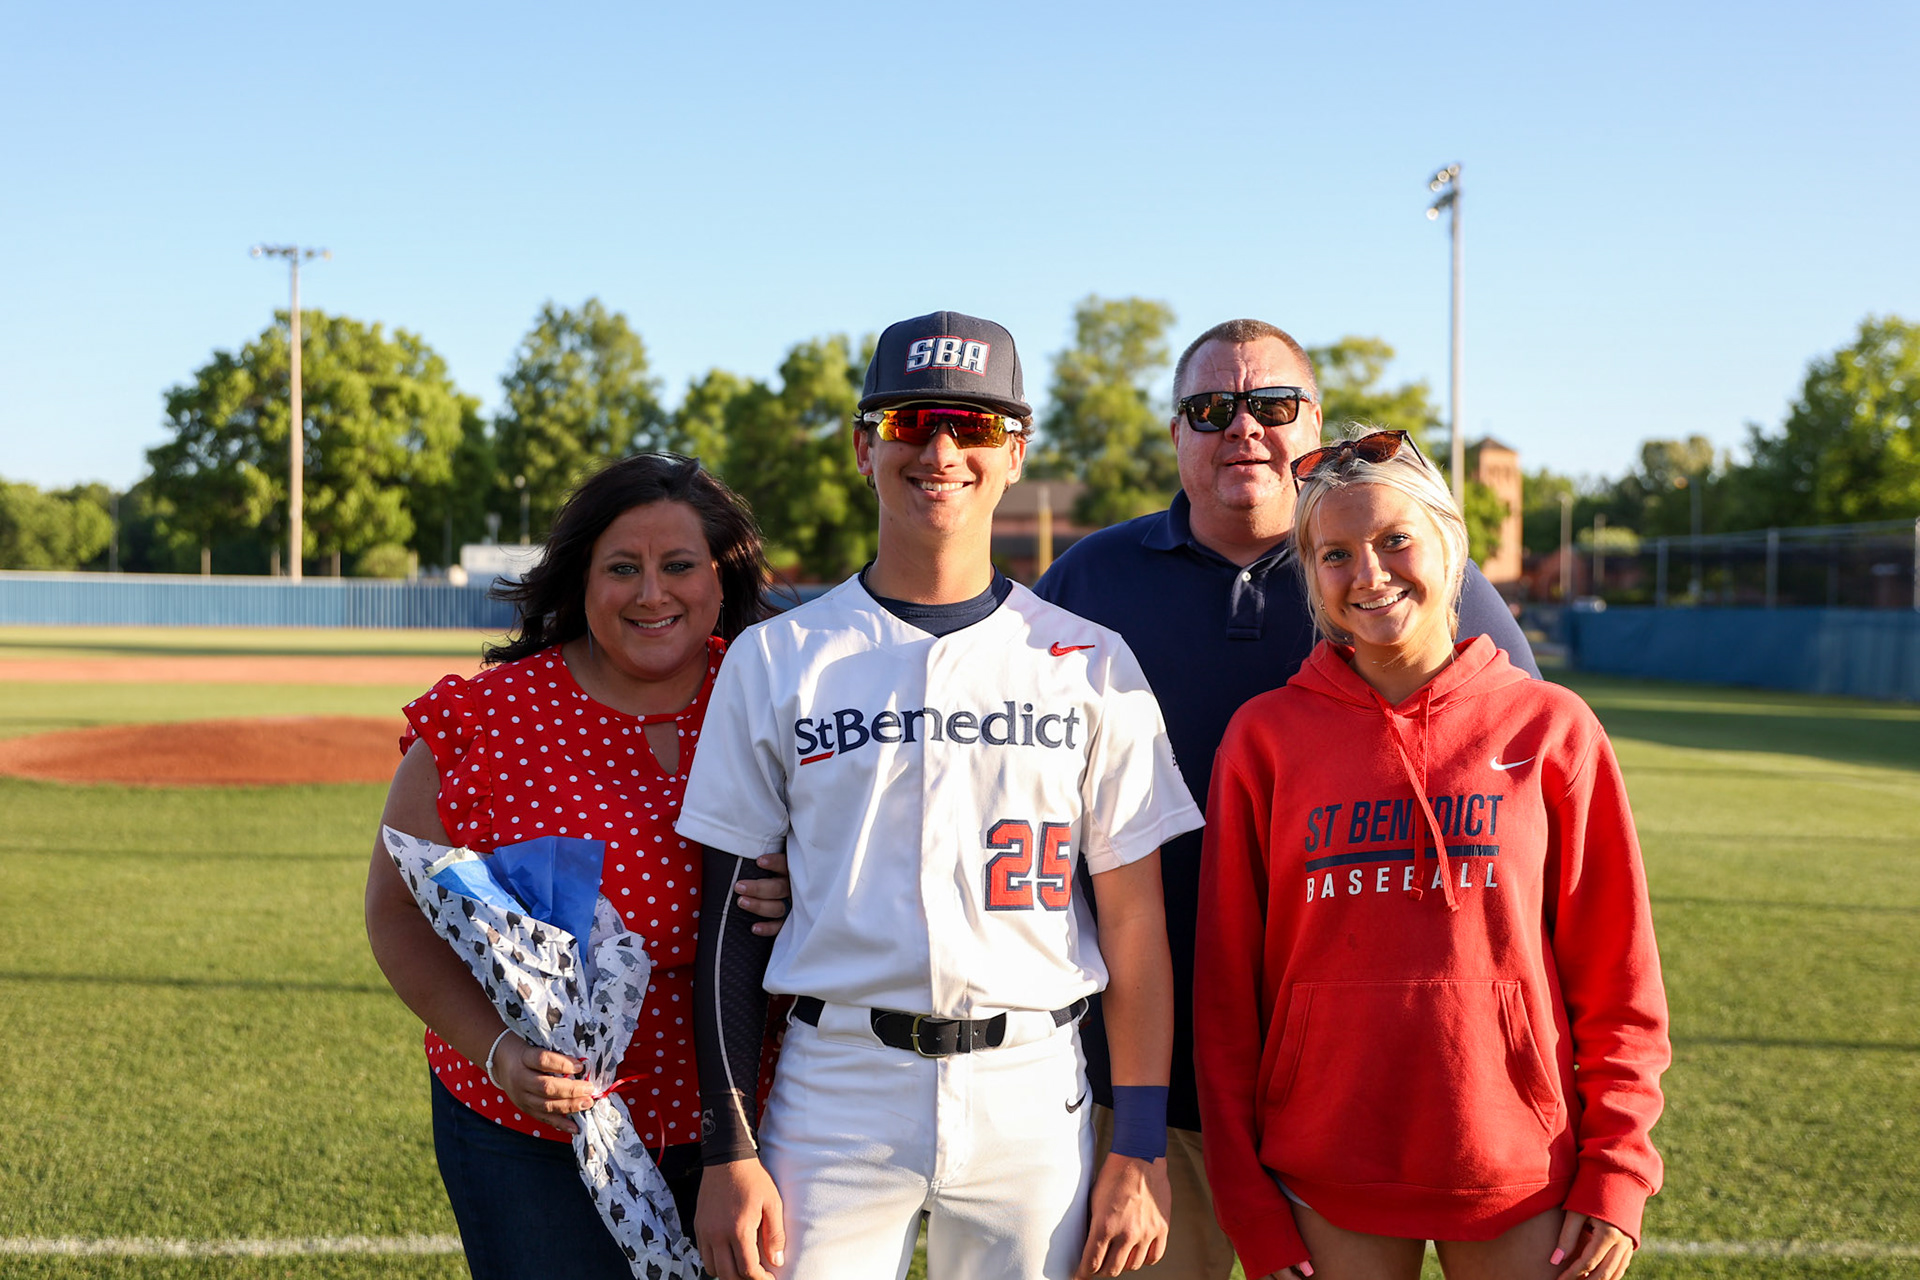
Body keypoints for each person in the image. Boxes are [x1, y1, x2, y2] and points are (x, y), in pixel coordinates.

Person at [678, 310, 1200, 1280]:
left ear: (1016, 452)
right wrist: (728, 1143)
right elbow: (725, 919)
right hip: (837, 1082)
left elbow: (1133, 928)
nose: (944, 450)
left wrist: (1138, 1139)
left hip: (1034, 1086)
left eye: (977, 425)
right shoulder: (779, 656)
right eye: (915, 420)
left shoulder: (1090, 663)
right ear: (865, 444)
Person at [1033, 319, 1540, 1280]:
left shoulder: (1418, 578)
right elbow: (986, 766)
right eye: (1210, 409)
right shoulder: (1088, 581)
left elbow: (1524, 800)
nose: (1243, 430)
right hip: (1147, 1076)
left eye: (1273, 406)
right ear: (1175, 432)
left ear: (1315, 424)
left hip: (1367, 1090)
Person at [1194, 428, 1669, 1280]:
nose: (1369, 574)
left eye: (1394, 540)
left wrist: (1620, 1167)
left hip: (1521, 1171)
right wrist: (1246, 1198)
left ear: (1450, 548)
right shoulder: (1265, 739)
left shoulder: (1552, 727)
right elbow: (1227, 992)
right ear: (1311, 577)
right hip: (1325, 1174)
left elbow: (1618, 977)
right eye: (1334, 553)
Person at [364, 453, 793, 1280]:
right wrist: (496, 1052)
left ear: (720, 577)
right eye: (622, 568)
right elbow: (395, 911)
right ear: (579, 579)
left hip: (748, 1122)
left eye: (678, 566)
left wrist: (808, 892)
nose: (651, 593)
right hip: (532, 1133)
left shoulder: (778, 697)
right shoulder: (484, 718)